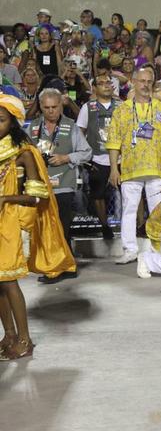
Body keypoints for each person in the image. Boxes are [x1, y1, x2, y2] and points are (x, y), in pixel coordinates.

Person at [0, 95, 76, 361]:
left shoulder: (23, 153)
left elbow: (37, 195)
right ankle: (8, 335)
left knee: (9, 282)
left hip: (10, 224)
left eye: (1, 120)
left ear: (13, 123)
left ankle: (24, 339)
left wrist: (6, 198)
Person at [106, 68, 161, 265]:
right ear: (133, 82)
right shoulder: (122, 110)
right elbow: (113, 142)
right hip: (130, 169)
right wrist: (114, 168)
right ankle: (130, 249)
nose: (146, 85)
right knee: (129, 209)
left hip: (156, 169)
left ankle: (158, 248)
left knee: (157, 211)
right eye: (142, 81)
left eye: (149, 81)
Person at [26, 88, 92, 270]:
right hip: (41, 186)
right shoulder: (32, 128)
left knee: (62, 227)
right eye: (46, 107)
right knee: (45, 228)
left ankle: (66, 265)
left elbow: (87, 152)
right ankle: (50, 265)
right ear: (40, 106)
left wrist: (66, 158)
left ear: (60, 106)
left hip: (64, 184)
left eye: (55, 107)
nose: (51, 111)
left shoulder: (71, 126)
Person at [77, 73, 121, 239]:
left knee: (132, 193)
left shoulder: (122, 105)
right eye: (101, 83)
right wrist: (85, 156)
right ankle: (105, 227)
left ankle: (138, 225)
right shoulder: (88, 107)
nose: (106, 85)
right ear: (94, 88)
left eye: (108, 82)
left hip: (121, 158)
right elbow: (80, 132)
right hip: (97, 158)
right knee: (98, 194)